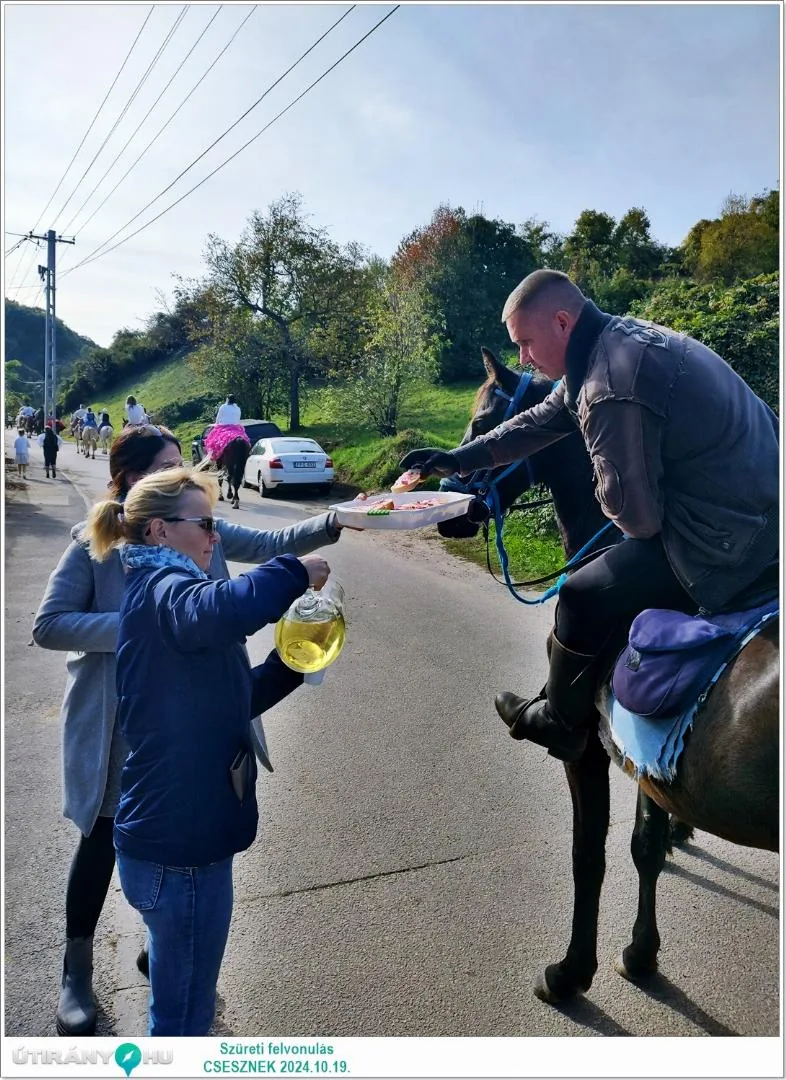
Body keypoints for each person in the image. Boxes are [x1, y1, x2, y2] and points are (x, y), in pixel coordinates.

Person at [33, 424, 351, 1036]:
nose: (214, 532)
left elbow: (266, 557)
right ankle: (78, 969)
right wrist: (135, 634)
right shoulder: (126, 564)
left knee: (178, 938)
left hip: (188, 743)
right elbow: (52, 624)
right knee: (111, 846)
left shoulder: (186, 547)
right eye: (165, 466)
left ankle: (167, 947)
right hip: (120, 723)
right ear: (133, 485)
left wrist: (340, 522)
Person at [400, 268, 779, 762]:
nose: (523, 358)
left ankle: (560, 720)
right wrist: (460, 458)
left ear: (561, 322)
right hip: (762, 502)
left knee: (580, 595)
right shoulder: (616, 339)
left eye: (526, 343)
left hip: (735, 537)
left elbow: (638, 522)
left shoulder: (607, 387)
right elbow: (542, 420)